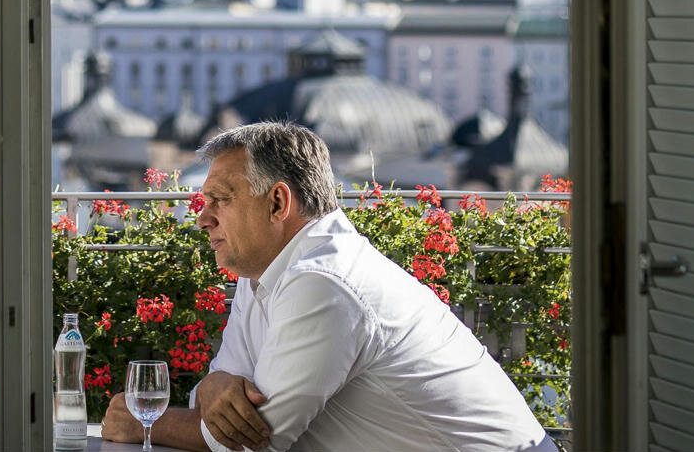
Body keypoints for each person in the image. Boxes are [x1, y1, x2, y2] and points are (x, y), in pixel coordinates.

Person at [102, 121, 555, 452]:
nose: (203, 217)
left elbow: (250, 442)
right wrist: (218, 383)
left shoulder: (323, 283)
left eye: (220, 199)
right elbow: (216, 404)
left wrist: (142, 419)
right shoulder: (268, 270)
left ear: (278, 202)